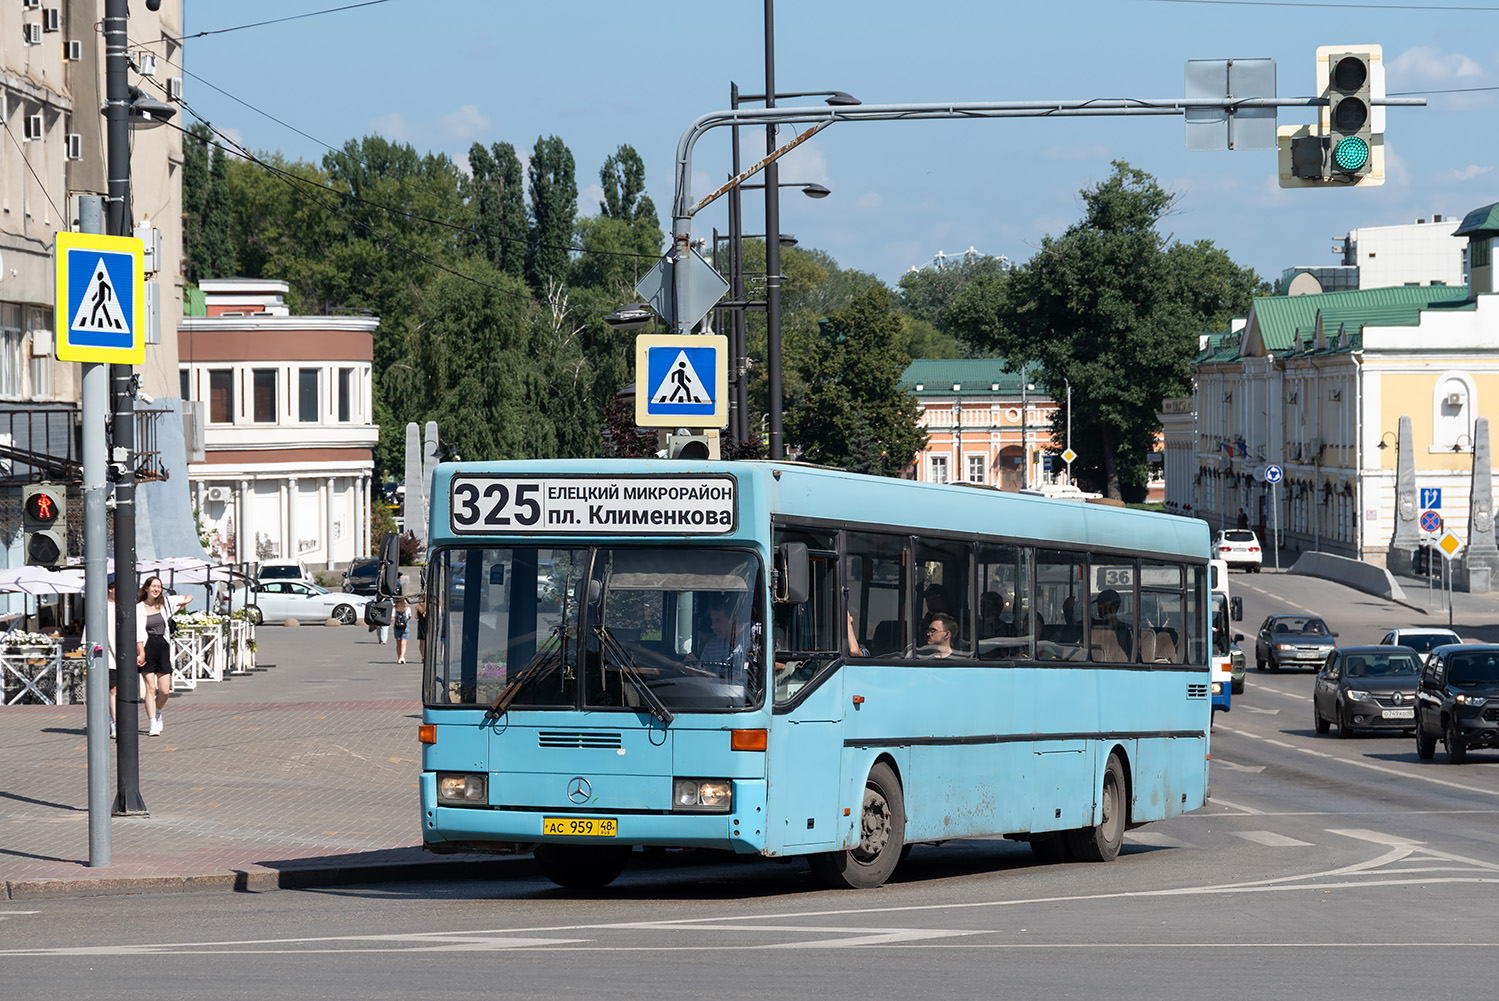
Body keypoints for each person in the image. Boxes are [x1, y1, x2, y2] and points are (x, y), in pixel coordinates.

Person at [137, 575, 190, 736]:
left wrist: (184, 602)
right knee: (150, 688)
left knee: (165, 690)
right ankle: (152, 722)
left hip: (163, 647)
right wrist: (141, 652)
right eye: (153, 586)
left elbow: (189, 596)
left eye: (159, 587)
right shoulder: (139, 608)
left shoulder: (165, 603)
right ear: (146, 588)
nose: (156, 589)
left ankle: (158, 711)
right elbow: (138, 631)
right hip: (147, 647)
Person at [693, 595, 746, 676]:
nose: (712, 626)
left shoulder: (755, 641)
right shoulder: (711, 647)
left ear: (735, 621)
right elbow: (704, 679)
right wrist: (694, 667)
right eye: (712, 620)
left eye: (718, 620)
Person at [392, 598, 410, 664]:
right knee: (404, 642)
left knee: (398, 643)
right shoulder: (407, 609)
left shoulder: (395, 609)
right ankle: (403, 656)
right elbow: (409, 617)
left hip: (397, 627)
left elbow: (392, 618)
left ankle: (399, 657)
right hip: (405, 627)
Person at [414, 597, 428, 661]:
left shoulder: (418, 607)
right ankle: (427, 655)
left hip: (420, 624)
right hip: (427, 625)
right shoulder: (428, 607)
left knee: (421, 642)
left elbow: (416, 617)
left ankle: (423, 656)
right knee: (427, 641)